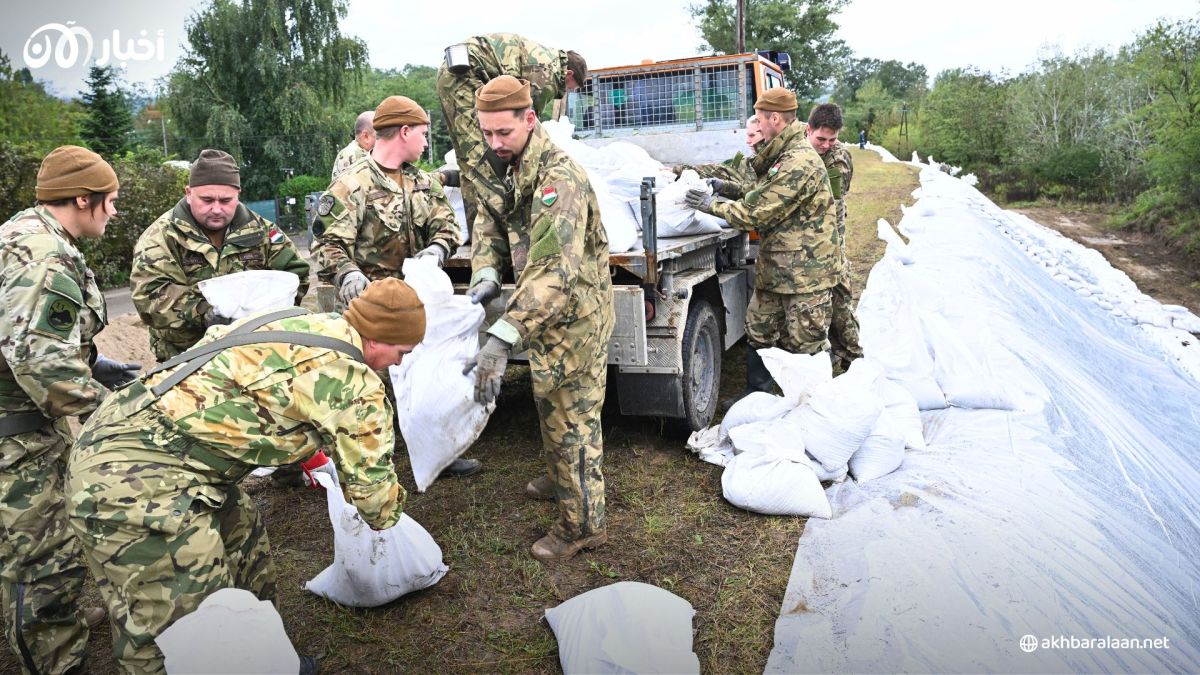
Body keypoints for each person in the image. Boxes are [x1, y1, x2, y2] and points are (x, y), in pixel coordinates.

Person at [66, 278, 423, 675]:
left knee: (245, 545)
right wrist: (391, 517)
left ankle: (267, 662)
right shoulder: (353, 382)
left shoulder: (301, 322)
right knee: (181, 621)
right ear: (377, 336)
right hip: (134, 476)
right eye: (402, 352)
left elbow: (268, 399)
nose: (399, 363)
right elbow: (374, 499)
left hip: (146, 442)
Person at [0, 145, 140, 675]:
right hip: (15, 436)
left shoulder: (24, 233)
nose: (114, 212)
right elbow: (41, 364)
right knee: (40, 561)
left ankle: (62, 631)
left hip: (25, 422)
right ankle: (56, 661)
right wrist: (116, 415)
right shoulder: (44, 257)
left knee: (50, 543)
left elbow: (23, 334)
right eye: (111, 200)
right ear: (84, 199)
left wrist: (95, 363)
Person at [464, 76, 614, 562]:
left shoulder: (558, 179)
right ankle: (563, 480)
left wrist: (501, 338)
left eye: (503, 132)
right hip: (545, 316)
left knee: (572, 418)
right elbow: (489, 218)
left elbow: (554, 271)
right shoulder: (511, 162)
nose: (494, 142)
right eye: (486, 132)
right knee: (550, 402)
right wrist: (486, 272)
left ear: (530, 119)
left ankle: (582, 526)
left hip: (574, 317)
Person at [311, 95, 474, 477]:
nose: (426, 142)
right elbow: (327, 243)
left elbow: (447, 225)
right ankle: (368, 467)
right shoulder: (352, 184)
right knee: (365, 389)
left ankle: (437, 452)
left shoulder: (421, 181)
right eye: (422, 133)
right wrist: (348, 274)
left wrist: (437, 249)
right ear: (403, 132)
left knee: (428, 378)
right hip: (370, 308)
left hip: (415, 301)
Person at [684, 87, 841, 396]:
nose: (756, 126)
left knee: (805, 345)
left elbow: (756, 212)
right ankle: (759, 402)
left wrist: (708, 206)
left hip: (805, 276)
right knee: (759, 331)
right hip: (778, 269)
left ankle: (812, 409)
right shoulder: (783, 155)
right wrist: (723, 187)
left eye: (758, 119)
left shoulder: (799, 162)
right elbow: (760, 192)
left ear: (775, 119)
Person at [131, 149, 311, 362]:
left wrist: (263, 311)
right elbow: (150, 297)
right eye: (207, 200)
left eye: (225, 200)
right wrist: (206, 312)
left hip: (256, 353)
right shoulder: (161, 237)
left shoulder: (262, 232)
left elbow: (295, 275)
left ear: (238, 194)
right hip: (188, 358)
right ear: (188, 193)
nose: (216, 209)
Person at [436, 33, 587, 232]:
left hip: (454, 70)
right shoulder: (549, 72)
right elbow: (527, 125)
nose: (568, 91)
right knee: (484, 160)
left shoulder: (542, 56)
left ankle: (478, 229)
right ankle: (499, 231)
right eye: (572, 87)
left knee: (470, 158)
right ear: (569, 75)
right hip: (463, 75)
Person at [806, 103, 863, 375]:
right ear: (809, 130)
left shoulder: (839, 159)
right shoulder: (800, 146)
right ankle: (827, 353)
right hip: (808, 238)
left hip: (830, 237)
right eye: (821, 139)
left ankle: (853, 355)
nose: (826, 145)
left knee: (839, 297)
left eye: (832, 139)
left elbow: (828, 196)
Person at [331, 110, 376, 179]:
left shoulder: (360, 151)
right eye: (380, 134)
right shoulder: (355, 156)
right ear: (366, 136)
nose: (384, 137)